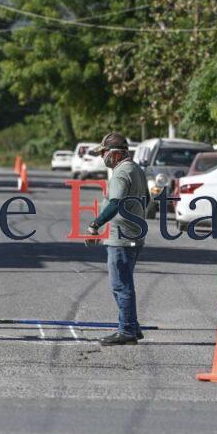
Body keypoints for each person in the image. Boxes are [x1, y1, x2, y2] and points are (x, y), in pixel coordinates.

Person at [86, 132, 149, 346]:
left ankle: (127, 330)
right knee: (124, 283)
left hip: (122, 239)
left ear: (114, 154)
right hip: (133, 235)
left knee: (121, 285)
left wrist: (96, 224)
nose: (102, 156)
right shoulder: (137, 169)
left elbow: (115, 203)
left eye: (104, 152)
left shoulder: (122, 173)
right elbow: (147, 200)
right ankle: (132, 327)